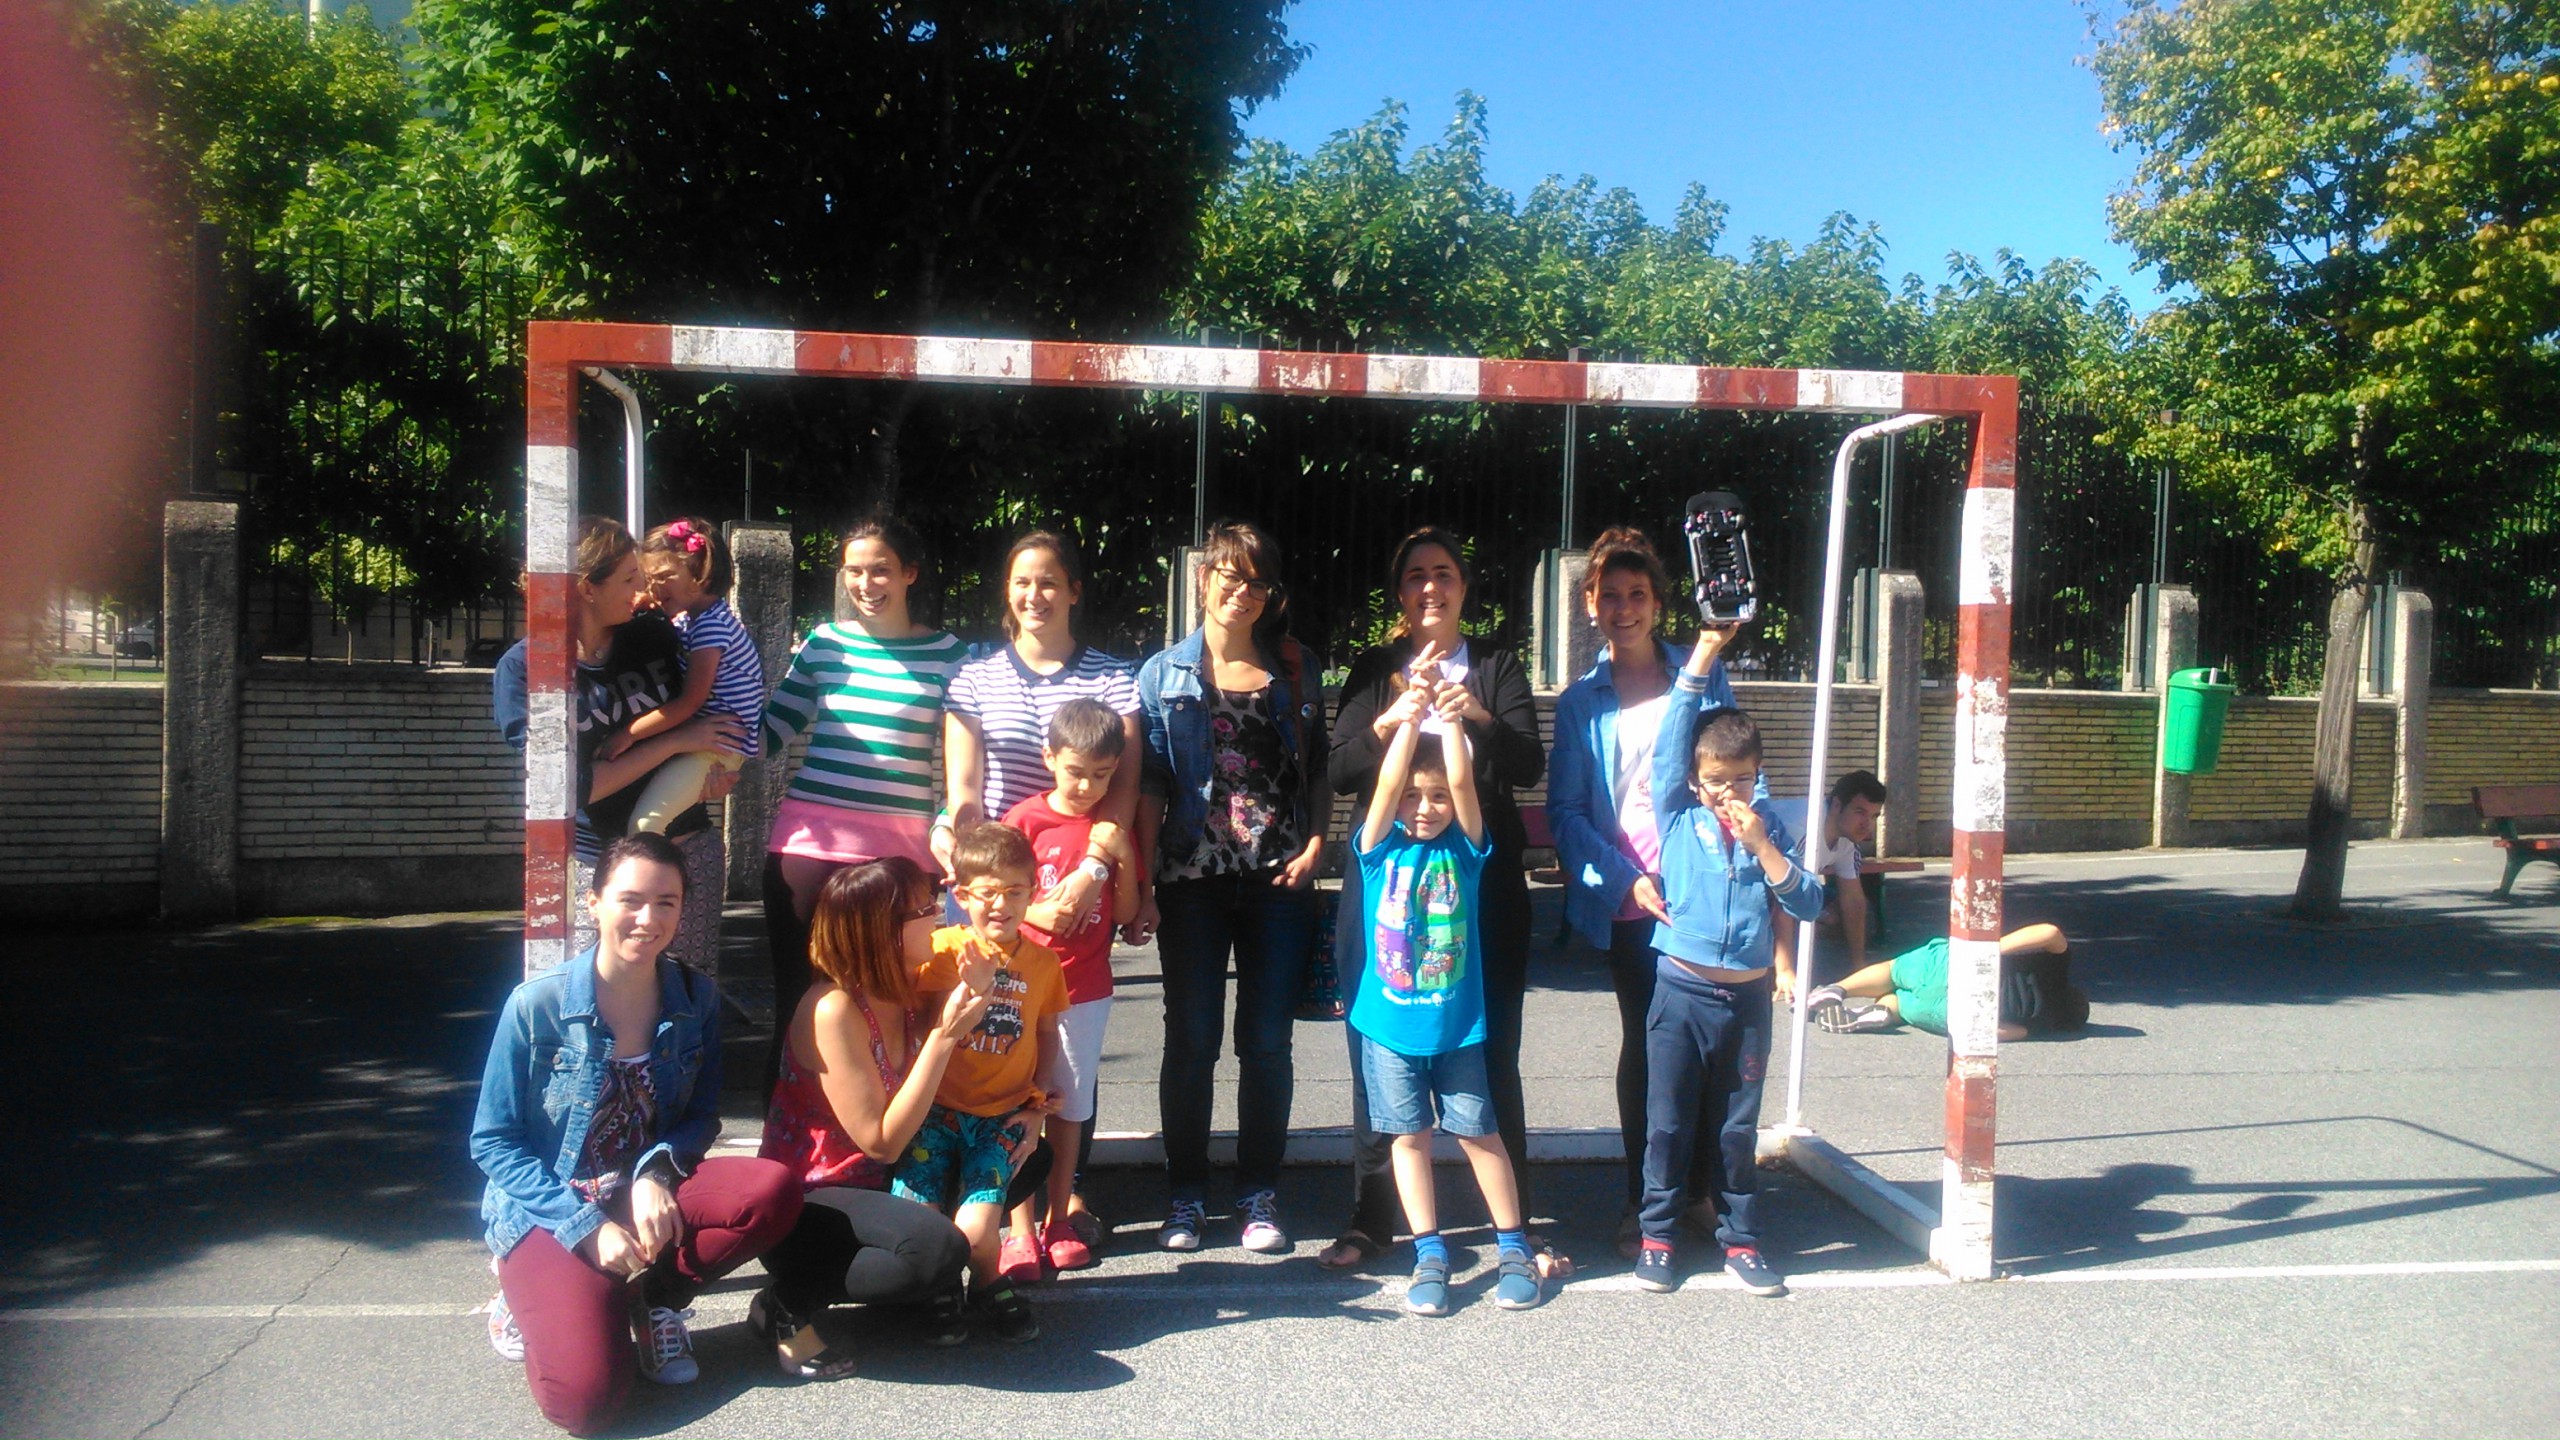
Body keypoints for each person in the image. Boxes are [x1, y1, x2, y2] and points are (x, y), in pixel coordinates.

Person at [471, 833, 803, 1435]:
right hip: (551, 1205)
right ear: (594, 903)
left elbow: (701, 1116)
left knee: (771, 1189)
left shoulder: (694, 997)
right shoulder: (537, 1005)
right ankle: (520, 1295)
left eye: (666, 902)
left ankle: (655, 1301)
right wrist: (584, 1227)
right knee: (586, 1403)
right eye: (630, 900)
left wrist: (656, 1172)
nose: (647, 919)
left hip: (637, 1188)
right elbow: (493, 1141)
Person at [1319, 527, 1559, 1279]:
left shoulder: (1495, 666)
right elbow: (1337, 770)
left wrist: (1475, 714)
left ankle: (1514, 1222)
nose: (1432, 587)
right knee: (1378, 1047)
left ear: (1463, 586)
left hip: (1477, 889)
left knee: (1493, 1051)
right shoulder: (1374, 669)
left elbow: (1525, 765)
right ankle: (1373, 1219)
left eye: (1445, 573)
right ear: (1400, 592)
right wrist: (1393, 718)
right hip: (1387, 893)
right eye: (1417, 575)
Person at [1545, 526, 1751, 1257]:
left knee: (1711, 1045)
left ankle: (1700, 1193)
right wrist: (1622, 877)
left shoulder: (1700, 674)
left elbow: (1732, 762)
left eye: (1638, 595)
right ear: (1589, 602)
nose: (1623, 607)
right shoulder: (1580, 703)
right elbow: (1565, 813)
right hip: (1635, 900)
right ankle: (1644, 1199)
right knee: (1653, 1045)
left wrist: (1748, 860)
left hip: (1702, 892)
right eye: (1610, 595)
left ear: (1660, 604)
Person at [1133, 521, 1329, 1255]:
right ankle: (1185, 1195)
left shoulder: (1295, 667)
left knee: (1267, 1044)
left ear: (1269, 592)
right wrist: (1144, 879)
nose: (1239, 591)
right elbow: (1150, 784)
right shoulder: (1164, 675)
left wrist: (1316, 843)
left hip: (1279, 877)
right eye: (1228, 575)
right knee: (1190, 1041)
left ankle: (1257, 1194)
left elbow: (1313, 768)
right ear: (1203, 577)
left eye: (1255, 580)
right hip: (1191, 880)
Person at [755, 856, 1015, 1364]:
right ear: (883, 931)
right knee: (936, 1252)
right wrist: (942, 1039)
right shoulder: (833, 1007)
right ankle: (787, 1302)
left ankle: (920, 1281)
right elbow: (880, 1141)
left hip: (891, 1178)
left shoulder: (907, 987)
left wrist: (1023, 1114)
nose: (941, 916)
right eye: (924, 909)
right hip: (818, 1200)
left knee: (1019, 1157)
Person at [1633, 628, 1828, 1300]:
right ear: (1696, 779)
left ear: (1758, 775)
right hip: (1681, 992)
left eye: (1742, 778)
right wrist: (1702, 657)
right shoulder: (1679, 815)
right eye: (1717, 781)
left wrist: (1764, 846)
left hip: (1745, 1003)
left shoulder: (1770, 825)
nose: (1729, 792)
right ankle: (1656, 1235)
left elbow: (1808, 901)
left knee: (1736, 1129)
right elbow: (1670, 743)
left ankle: (1740, 1240)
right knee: (1667, 1122)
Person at [757, 514, 969, 1091]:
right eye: (854, 570)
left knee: (901, 1008)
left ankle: (889, 1151)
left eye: (880, 570)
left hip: (903, 863)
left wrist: (949, 821)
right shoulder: (825, 646)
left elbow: (968, 762)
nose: (866, 583)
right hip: (807, 851)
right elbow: (768, 733)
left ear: (910, 574)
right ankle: (789, 1149)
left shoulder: (951, 656)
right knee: (802, 1002)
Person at [1351, 684, 1543, 1316]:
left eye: (1433, 797)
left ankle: (1513, 1247)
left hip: (1458, 1028)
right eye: (1414, 793)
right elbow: (1382, 789)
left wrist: (1449, 714)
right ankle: (1428, 1253)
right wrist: (1409, 712)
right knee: (1408, 1139)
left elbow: (1463, 783)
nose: (1424, 806)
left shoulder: (1466, 850)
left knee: (1480, 1135)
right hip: (1388, 1028)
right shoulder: (1378, 852)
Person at [492, 517, 742, 968]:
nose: (641, 588)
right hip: (599, 863)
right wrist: (674, 742)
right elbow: (569, 788)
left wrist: (718, 766)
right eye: (630, 578)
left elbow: (721, 693)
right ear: (588, 587)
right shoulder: (528, 670)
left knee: (688, 998)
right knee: (601, 1002)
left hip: (687, 850)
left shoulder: (653, 634)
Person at [896, 822, 1071, 1342]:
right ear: (962, 893)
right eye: (988, 893)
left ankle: (982, 1279)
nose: (1002, 905)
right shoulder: (941, 949)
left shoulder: (1043, 964)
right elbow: (904, 1017)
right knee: (923, 1231)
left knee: (975, 1235)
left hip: (998, 1119)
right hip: (933, 1115)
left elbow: (1047, 1034)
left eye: (1015, 892)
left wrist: (1038, 1102)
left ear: (1033, 892)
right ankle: (956, 1286)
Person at [1000, 699, 1142, 1277]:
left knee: (1067, 1109)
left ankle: (1059, 1218)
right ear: (1049, 759)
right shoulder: (1023, 821)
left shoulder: (1109, 832)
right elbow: (995, 899)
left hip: (1085, 990)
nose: (1087, 785)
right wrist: (1036, 908)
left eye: (1102, 775)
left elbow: (1128, 914)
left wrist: (1122, 856)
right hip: (1020, 987)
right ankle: (1017, 1227)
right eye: (1076, 771)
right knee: (1015, 1100)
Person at [616, 518, 766, 834]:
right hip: (706, 742)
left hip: (713, 749)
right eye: (649, 579)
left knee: (645, 825)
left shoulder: (711, 629)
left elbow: (689, 702)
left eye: (665, 577)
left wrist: (627, 735)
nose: (653, 588)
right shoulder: (697, 620)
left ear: (700, 576)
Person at [1805, 923, 2089, 1040]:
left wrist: (1992, 949)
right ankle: (1884, 1013)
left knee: (1893, 971)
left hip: (1959, 967)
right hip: (1955, 1011)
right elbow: (2004, 1032)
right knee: (1906, 1006)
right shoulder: (2045, 1022)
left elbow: (2050, 932)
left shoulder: (2055, 972)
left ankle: (1837, 990)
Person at [1769, 770, 1887, 991]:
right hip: (1757, 886)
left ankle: (1803, 934)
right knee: (1787, 906)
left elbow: (1853, 901)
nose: (1867, 824)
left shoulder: (1847, 837)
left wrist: (1859, 968)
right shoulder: (1802, 830)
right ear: (1835, 806)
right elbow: (1784, 898)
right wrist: (1785, 971)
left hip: (1791, 889)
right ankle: (1774, 959)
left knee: (1854, 917)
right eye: (1860, 812)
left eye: (1874, 816)